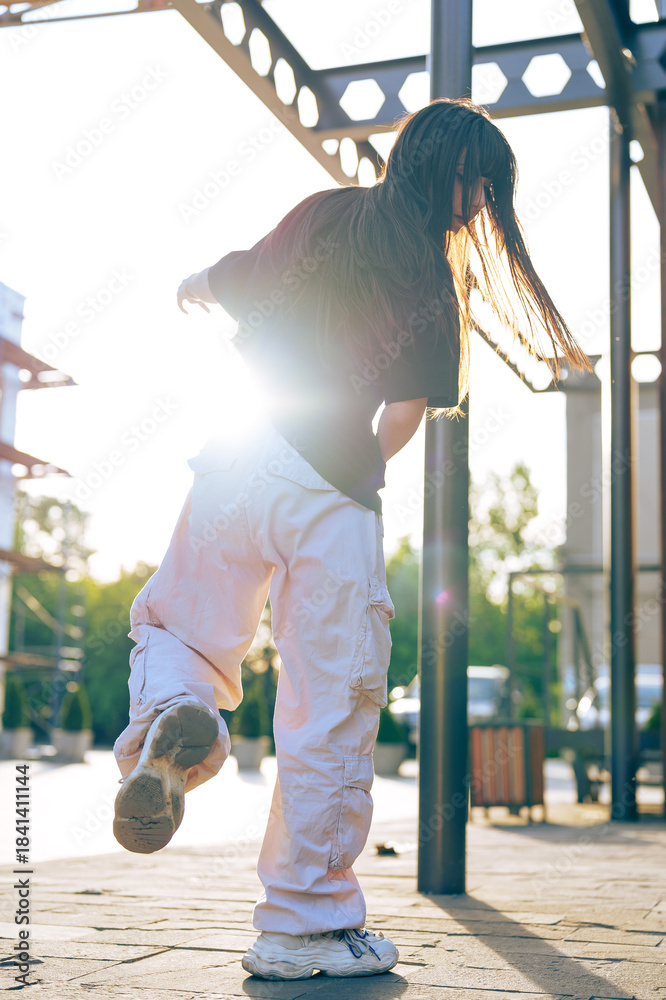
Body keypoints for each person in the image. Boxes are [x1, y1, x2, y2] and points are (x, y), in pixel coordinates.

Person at [112, 97, 592, 981]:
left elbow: (232, 275)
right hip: (329, 488)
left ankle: (169, 733)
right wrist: (345, 476)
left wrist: (191, 285)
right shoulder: (429, 274)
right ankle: (303, 928)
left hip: (233, 459)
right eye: (478, 183)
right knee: (329, 708)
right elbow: (404, 415)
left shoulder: (324, 211)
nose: (482, 204)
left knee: (178, 624)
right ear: (448, 171)